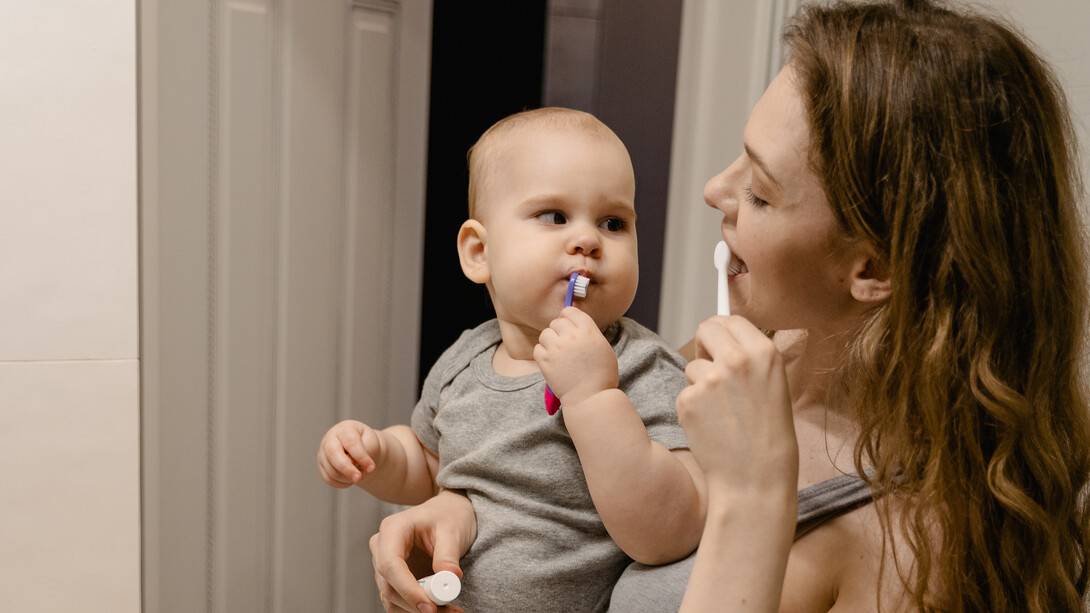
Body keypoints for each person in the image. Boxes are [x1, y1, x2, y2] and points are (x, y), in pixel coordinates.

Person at [367, 1, 1090, 611]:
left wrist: (750, 497)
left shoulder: (917, 543)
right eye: (737, 159)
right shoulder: (727, 371)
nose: (716, 189)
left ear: (869, 267)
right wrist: (457, 513)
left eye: (761, 191)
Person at [318, 107, 706, 613]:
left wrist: (593, 397)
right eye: (555, 216)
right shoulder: (464, 360)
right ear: (479, 252)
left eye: (613, 223)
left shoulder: (643, 368)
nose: (587, 240)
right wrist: (375, 454)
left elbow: (672, 533)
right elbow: (432, 466)